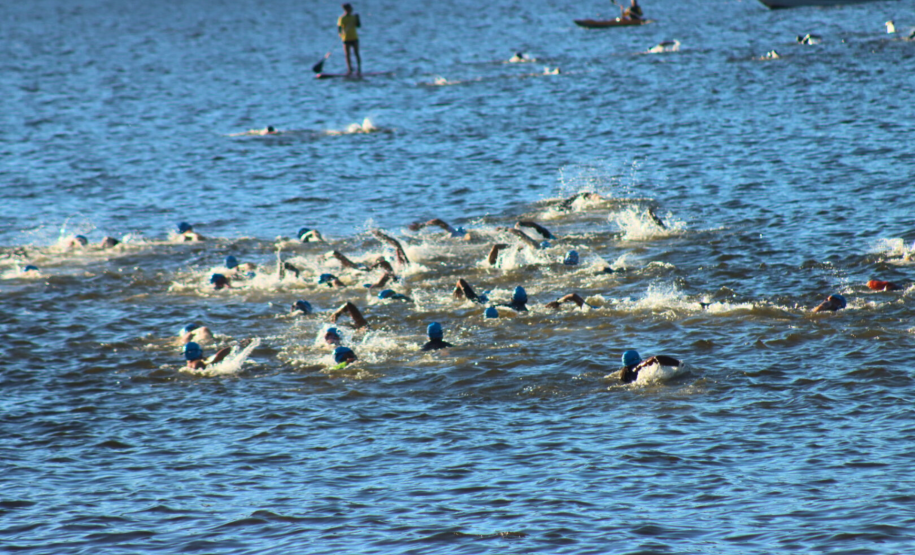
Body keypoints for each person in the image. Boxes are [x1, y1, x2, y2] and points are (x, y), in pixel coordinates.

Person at [338, 3, 361, 76]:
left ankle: (359, 70)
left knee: (356, 53)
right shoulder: (342, 18)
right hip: (346, 39)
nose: (350, 9)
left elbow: (358, 25)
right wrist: (340, 34)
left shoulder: (354, 17)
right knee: (347, 55)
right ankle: (349, 70)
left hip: (354, 38)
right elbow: (339, 28)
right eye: (349, 8)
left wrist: (358, 18)